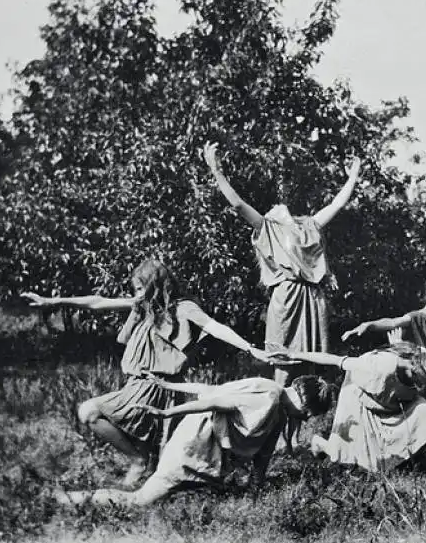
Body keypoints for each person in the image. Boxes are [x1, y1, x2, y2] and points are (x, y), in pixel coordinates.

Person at [21, 259, 270, 487]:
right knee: (135, 439)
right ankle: (142, 462)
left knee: (93, 413)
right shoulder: (143, 306)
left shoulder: (184, 309)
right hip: (136, 385)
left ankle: (146, 467)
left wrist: (249, 348)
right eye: (135, 289)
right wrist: (53, 301)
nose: (136, 294)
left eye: (140, 288)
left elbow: (216, 328)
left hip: (160, 387)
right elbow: (97, 301)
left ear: (155, 285)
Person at [203, 141, 361, 386]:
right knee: (283, 361)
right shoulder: (269, 227)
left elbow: (337, 204)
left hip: (312, 297)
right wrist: (217, 171)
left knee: (315, 361)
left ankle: (310, 412)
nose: (278, 207)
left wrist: (352, 176)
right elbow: (237, 204)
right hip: (287, 297)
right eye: (273, 208)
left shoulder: (309, 226)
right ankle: (277, 407)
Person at [55, 374, 333, 507]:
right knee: (141, 500)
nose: (305, 420)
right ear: (307, 407)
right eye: (308, 415)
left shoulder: (279, 410)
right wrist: (168, 412)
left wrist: (256, 491)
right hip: (194, 443)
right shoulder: (269, 396)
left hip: (211, 455)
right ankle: (70, 500)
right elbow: (211, 400)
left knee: (197, 500)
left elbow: (263, 456)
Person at [269, 343, 426, 472]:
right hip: (361, 398)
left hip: (391, 403)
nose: (424, 389)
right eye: (423, 384)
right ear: (416, 371)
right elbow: (334, 360)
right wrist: (292, 354)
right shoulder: (378, 367)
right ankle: (319, 443)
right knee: (350, 460)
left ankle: (410, 457)